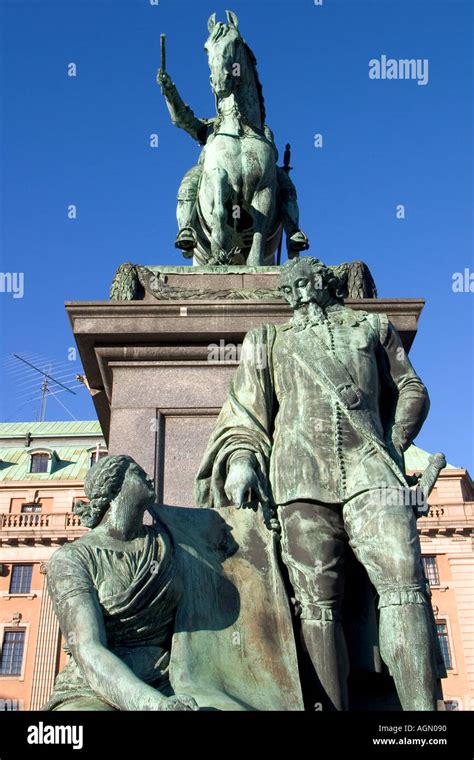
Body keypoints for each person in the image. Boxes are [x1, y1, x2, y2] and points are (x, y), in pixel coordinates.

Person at [196, 256, 444, 711]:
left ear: (324, 282)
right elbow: (244, 412)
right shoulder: (267, 339)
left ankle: (423, 722)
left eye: (303, 284)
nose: (296, 295)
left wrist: (395, 440)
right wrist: (242, 461)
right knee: (315, 605)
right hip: (298, 479)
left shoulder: (371, 327)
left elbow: (411, 387)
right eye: (288, 290)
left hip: (372, 471)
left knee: (404, 585)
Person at [43, 455, 198, 711]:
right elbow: (87, 648)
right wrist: (154, 705)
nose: (149, 476)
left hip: (171, 679)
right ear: (113, 488)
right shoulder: (71, 558)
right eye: (137, 472)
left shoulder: (170, 544)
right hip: (93, 689)